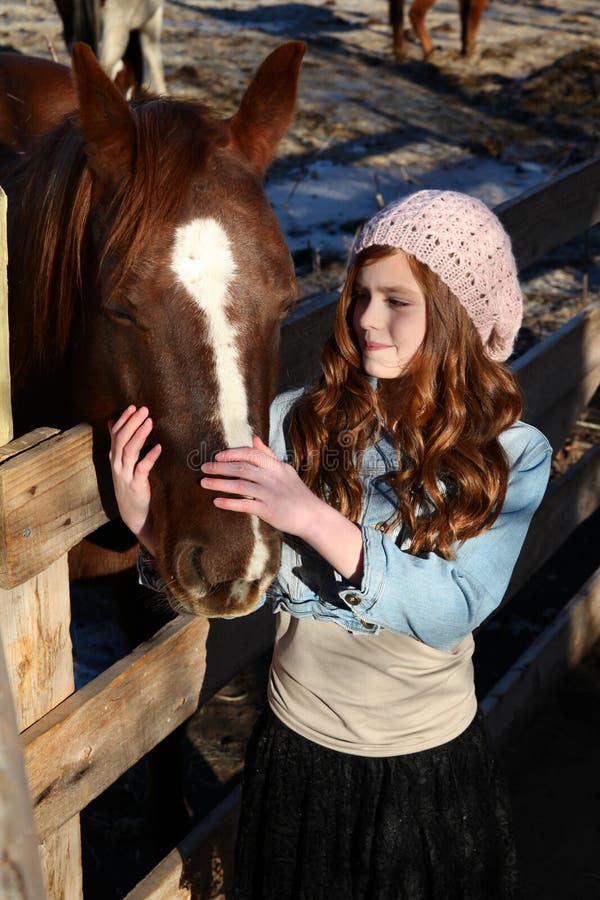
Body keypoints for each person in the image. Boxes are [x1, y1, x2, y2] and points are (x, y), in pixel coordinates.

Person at [109, 189, 552, 899]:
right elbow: (250, 574)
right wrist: (149, 532)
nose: (367, 319)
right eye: (360, 295)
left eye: (397, 301)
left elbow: (452, 608)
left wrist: (313, 517)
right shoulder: (297, 423)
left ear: (458, 315)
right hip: (296, 759)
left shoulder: (509, 456)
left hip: (424, 769)